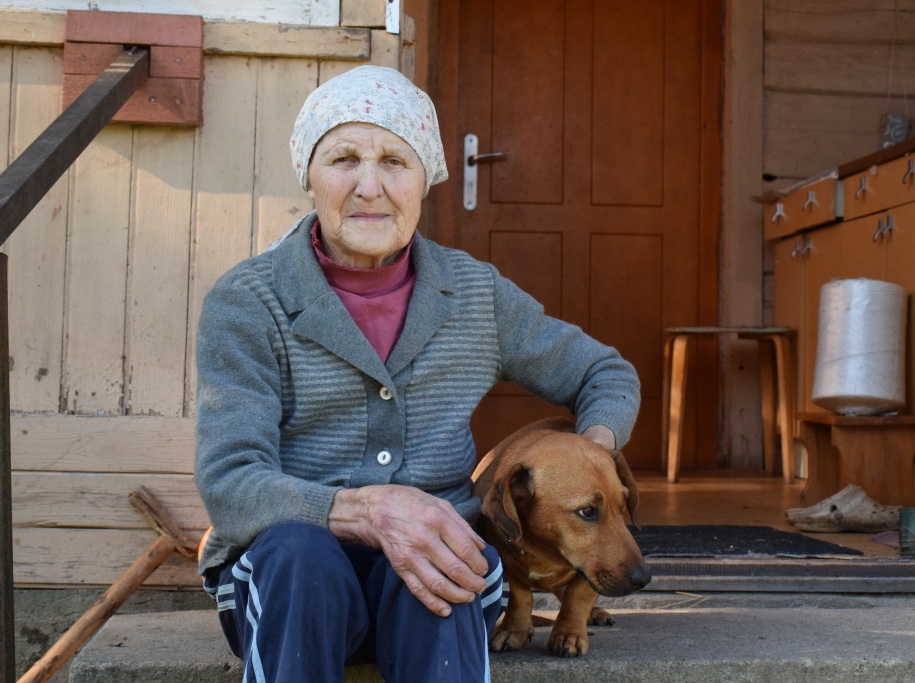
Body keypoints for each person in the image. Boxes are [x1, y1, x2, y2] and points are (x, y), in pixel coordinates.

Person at [194, 65, 641, 683]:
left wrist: (591, 455)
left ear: (426, 177)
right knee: (301, 554)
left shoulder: (475, 293)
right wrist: (364, 512)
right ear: (309, 175)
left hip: (431, 582)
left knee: (442, 551)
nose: (369, 187)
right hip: (285, 584)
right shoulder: (249, 301)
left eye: (395, 162)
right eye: (344, 158)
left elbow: (604, 372)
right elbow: (231, 483)